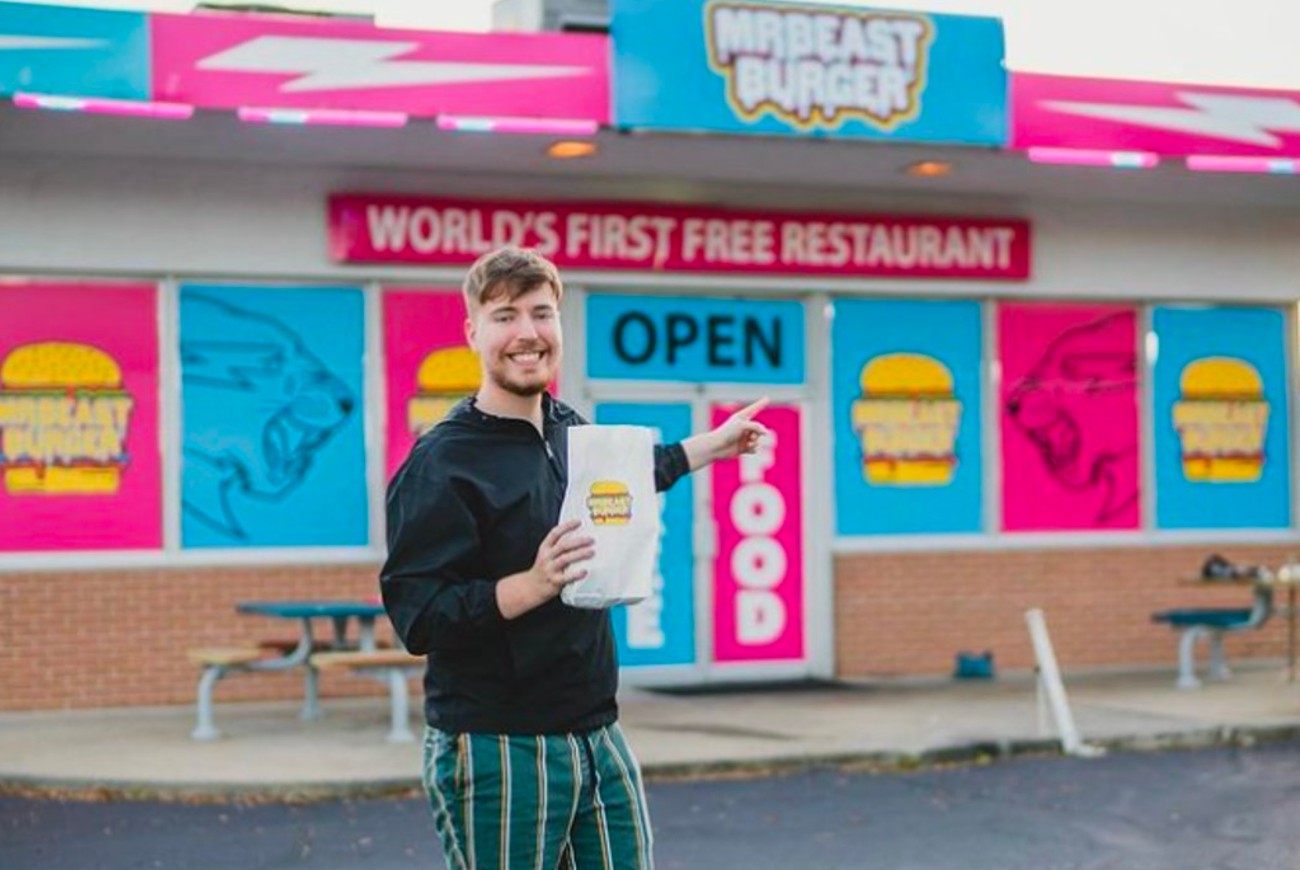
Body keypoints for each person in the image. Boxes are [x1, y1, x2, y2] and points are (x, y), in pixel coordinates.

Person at [381, 246, 769, 870]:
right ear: (473, 331)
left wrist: (710, 446)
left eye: (542, 313)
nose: (527, 333)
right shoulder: (442, 463)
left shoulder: (568, 429)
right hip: (496, 743)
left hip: (596, 731)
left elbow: (628, 477)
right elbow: (419, 617)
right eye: (505, 316)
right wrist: (531, 585)